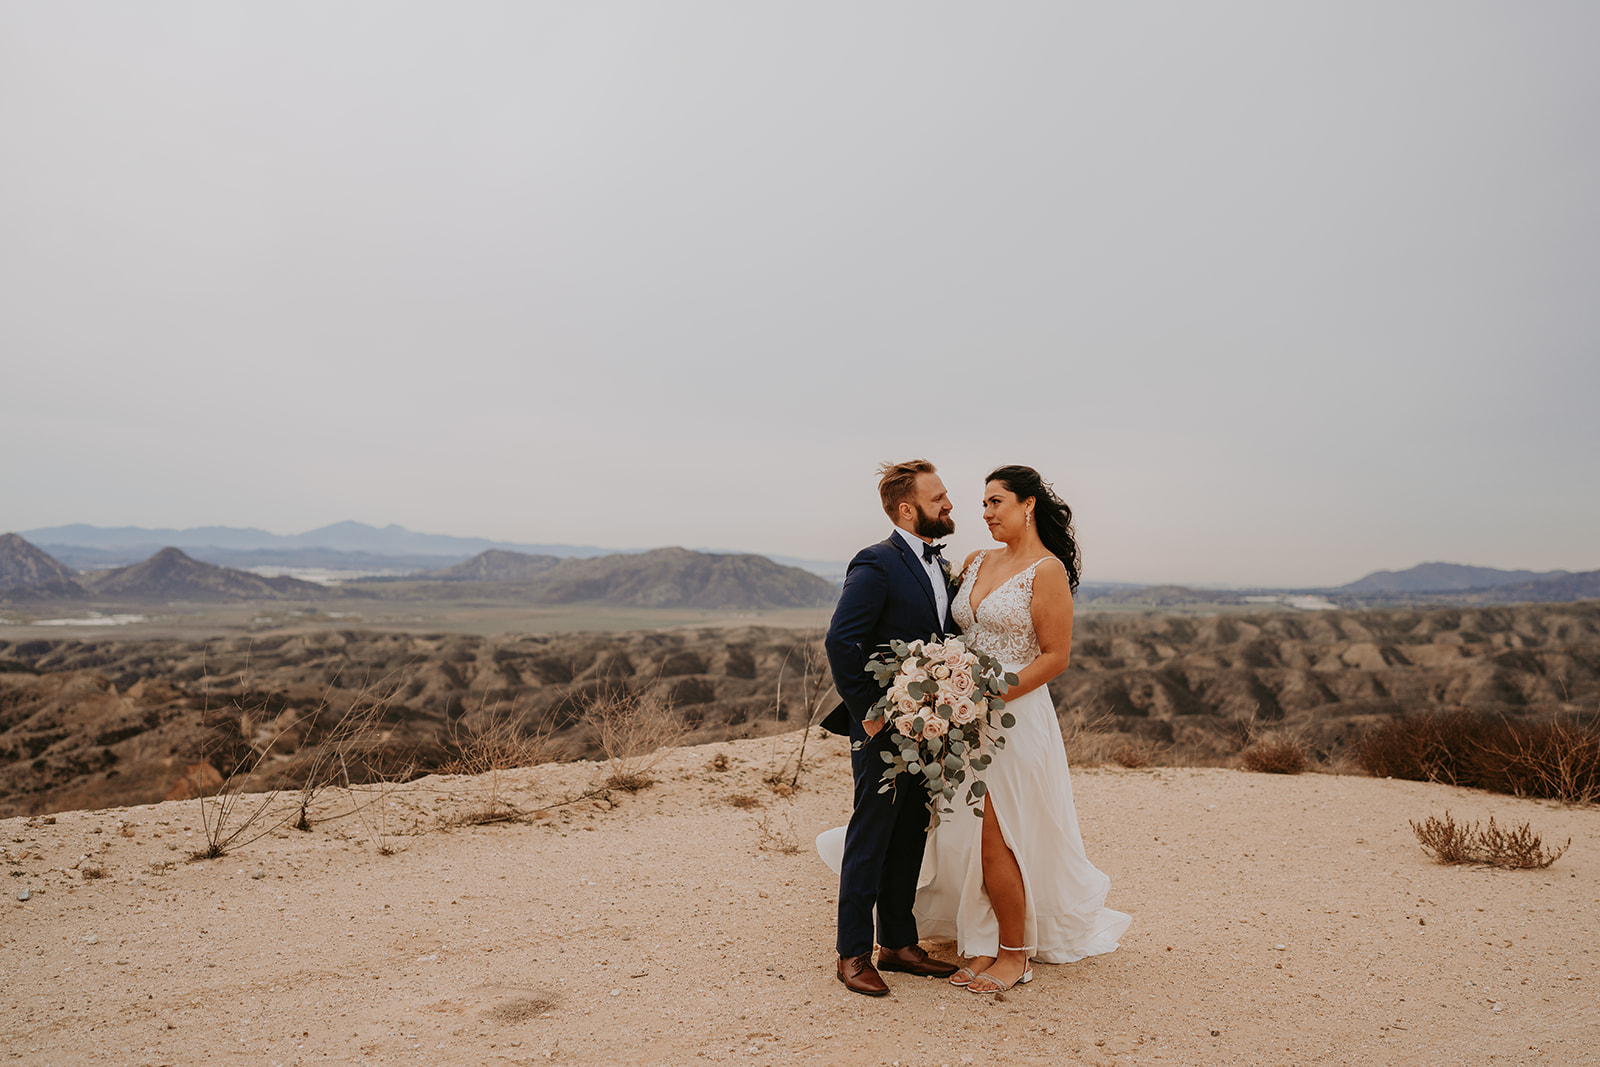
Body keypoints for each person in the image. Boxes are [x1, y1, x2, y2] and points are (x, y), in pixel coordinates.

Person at [914, 464, 1130, 994]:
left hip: (1014, 717)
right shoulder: (975, 561)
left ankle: (1016, 953)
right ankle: (982, 941)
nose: (986, 513)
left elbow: (1056, 657)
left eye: (996, 502)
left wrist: (988, 695)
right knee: (964, 831)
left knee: (998, 832)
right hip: (962, 716)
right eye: (983, 504)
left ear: (1027, 504)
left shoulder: (1046, 570)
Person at [820, 459, 963, 996]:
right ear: (907, 509)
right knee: (872, 834)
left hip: (928, 724)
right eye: (938, 497)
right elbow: (842, 640)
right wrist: (870, 713)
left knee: (910, 833)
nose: (949, 504)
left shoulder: (937, 563)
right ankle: (852, 952)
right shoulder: (877, 561)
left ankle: (898, 944)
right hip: (882, 726)